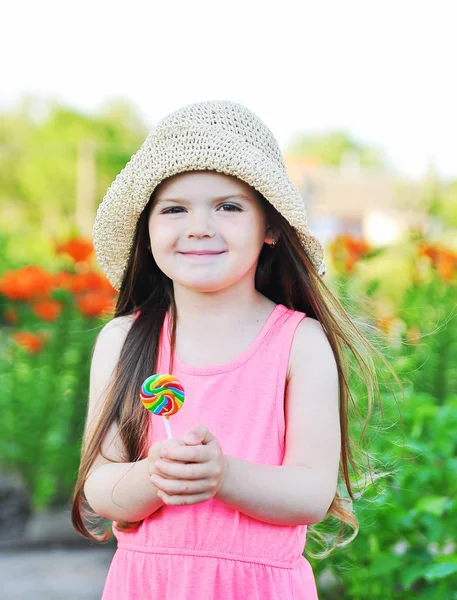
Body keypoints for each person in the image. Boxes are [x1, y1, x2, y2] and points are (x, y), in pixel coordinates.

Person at [71, 100, 399, 599]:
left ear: (269, 227)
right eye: (174, 209)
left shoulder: (298, 343)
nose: (199, 226)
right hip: (148, 585)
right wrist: (156, 474)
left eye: (228, 206)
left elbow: (311, 494)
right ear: (148, 228)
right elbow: (102, 487)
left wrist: (223, 475)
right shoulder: (122, 341)